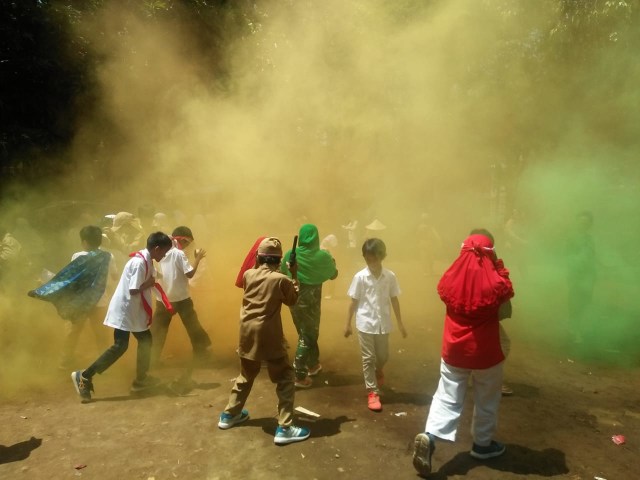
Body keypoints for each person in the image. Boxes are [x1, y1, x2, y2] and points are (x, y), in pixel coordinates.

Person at [412, 229, 514, 477]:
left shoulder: (450, 278)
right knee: (486, 399)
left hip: (454, 350)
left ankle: (430, 436)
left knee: (447, 395)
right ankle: (482, 444)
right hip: (486, 354)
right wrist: (498, 267)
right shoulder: (497, 284)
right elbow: (505, 312)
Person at [218, 237, 310, 445]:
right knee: (285, 378)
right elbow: (293, 300)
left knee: (246, 374)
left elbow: (261, 277)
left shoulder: (249, 275)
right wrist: (293, 272)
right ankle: (285, 428)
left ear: (258, 258)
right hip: (269, 334)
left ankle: (229, 415)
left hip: (246, 333)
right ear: (279, 261)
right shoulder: (281, 280)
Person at [70, 232, 173, 403]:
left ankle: (141, 379)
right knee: (120, 346)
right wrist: (150, 283)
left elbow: (150, 275)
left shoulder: (146, 259)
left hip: (132, 309)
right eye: (164, 252)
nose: (164, 255)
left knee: (144, 340)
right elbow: (134, 289)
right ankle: (84, 376)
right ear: (156, 248)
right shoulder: (139, 262)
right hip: (126, 309)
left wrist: (155, 278)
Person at [28, 226, 116, 368]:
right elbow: (114, 275)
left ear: (84, 242)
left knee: (73, 332)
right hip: (100, 301)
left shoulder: (77, 256)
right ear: (100, 241)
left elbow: (69, 277)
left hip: (79, 302)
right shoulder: (109, 256)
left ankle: (65, 361)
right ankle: (104, 364)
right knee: (101, 334)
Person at [344, 238, 406, 412]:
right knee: (368, 358)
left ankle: (379, 370)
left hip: (383, 323)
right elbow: (353, 301)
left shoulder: (390, 276)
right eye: (367, 259)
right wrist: (347, 323)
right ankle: (372, 391)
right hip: (365, 323)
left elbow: (394, 299)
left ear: (382, 256)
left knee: (383, 355)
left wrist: (400, 323)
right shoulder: (360, 277)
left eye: (374, 258)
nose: (371, 262)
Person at [281, 224, 338, 388]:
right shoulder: (323, 256)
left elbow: (284, 272)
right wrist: (332, 263)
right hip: (312, 302)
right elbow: (334, 275)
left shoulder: (289, 255)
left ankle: (313, 364)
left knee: (304, 332)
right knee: (308, 334)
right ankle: (299, 374)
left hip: (294, 300)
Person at [151, 226, 212, 365]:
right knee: (186, 325)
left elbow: (198, 274)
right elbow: (190, 274)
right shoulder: (175, 253)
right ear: (179, 240)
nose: (186, 245)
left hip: (169, 297)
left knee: (165, 328)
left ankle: (150, 358)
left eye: (188, 243)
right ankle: (151, 359)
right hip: (175, 297)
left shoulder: (162, 250)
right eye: (185, 242)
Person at [565, 211, 596, 344]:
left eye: (586, 222)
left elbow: (592, 257)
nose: (583, 224)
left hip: (588, 276)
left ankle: (576, 328)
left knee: (584, 302)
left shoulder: (589, 239)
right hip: (576, 275)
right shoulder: (572, 238)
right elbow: (567, 256)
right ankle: (574, 331)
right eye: (581, 222)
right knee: (575, 302)